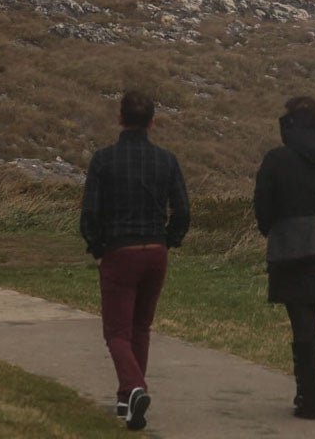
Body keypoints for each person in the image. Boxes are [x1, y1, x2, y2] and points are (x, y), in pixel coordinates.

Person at [80, 90, 190, 431]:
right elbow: (183, 211)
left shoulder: (103, 160)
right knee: (140, 327)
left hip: (119, 251)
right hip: (155, 251)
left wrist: (97, 248)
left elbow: (90, 214)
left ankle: (135, 387)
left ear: (120, 118)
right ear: (152, 122)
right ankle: (127, 398)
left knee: (116, 331)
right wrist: (169, 240)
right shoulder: (167, 160)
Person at [253, 96, 315, 420]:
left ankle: (310, 397)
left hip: (290, 245)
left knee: (301, 318)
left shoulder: (276, 159)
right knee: (308, 315)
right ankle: (307, 390)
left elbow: (263, 211)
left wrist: (282, 228)